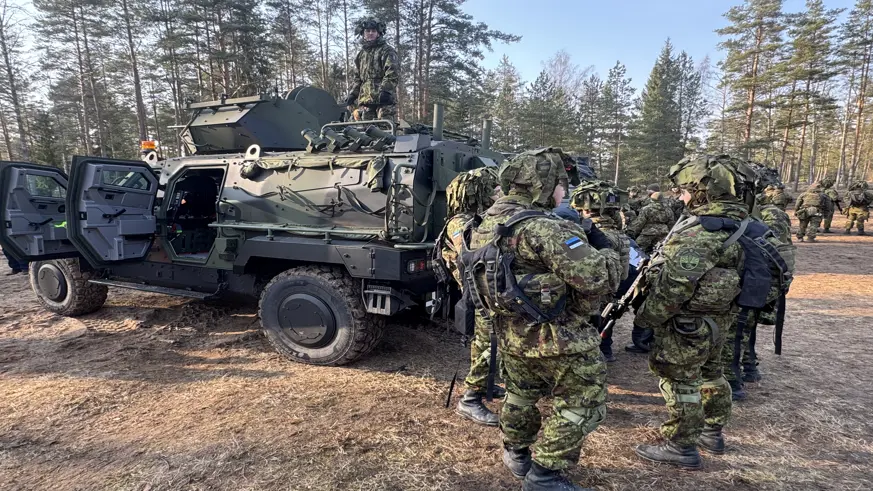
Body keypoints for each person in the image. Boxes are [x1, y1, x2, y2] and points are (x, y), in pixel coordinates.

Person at [461, 148, 621, 490]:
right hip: (561, 340)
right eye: (560, 184)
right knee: (584, 401)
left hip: (510, 335)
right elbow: (598, 278)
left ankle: (517, 453)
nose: (564, 191)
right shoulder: (544, 228)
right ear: (542, 184)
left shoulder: (484, 224)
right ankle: (545, 474)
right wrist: (605, 246)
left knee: (520, 395)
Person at [632, 154, 755, 469]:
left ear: (703, 192)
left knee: (680, 380)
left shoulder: (700, 232)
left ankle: (681, 445)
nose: (681, 197)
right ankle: (712, 432)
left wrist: (646, 318)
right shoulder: (744, 224)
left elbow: (675, 286)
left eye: (686, 191)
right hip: (719, 318)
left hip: (687, 324)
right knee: (712, 373)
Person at [438, 168, 503, 426]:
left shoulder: (479, 218)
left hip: (485, 293)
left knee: (486, 343)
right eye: (495, 190)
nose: (500, 193)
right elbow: (474, 252)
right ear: (479, 193)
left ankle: (486, 384)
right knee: (489, 344)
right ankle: (470, 399)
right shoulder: (460, 222)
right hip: (476, 296)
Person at [569, 180, 631, 363]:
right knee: (606, 319)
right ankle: (606, 350)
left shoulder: (591, 234)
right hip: (612, 288)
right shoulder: (620, 234)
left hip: (593, 290)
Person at [342, 17, 399, 122]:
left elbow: (392, 72)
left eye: (373, 31)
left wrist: (386, 90)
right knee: (366, 130)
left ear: (379, 33)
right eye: (367, 31)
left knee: (384, 128)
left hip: (383, 100)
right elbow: (358, 78)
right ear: (363, 33)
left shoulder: (386, 50)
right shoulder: (361, 55)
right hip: (366, 101)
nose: (370, 33)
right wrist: (353, 94)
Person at [625, 190, 675, 254]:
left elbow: (640, 223)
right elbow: (671, 223)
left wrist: (631, 232)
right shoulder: (668, 209)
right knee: (661, 251)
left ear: (651, 199)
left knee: (637, 249)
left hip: (648, 233)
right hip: (663, 233)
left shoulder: (646, 209)